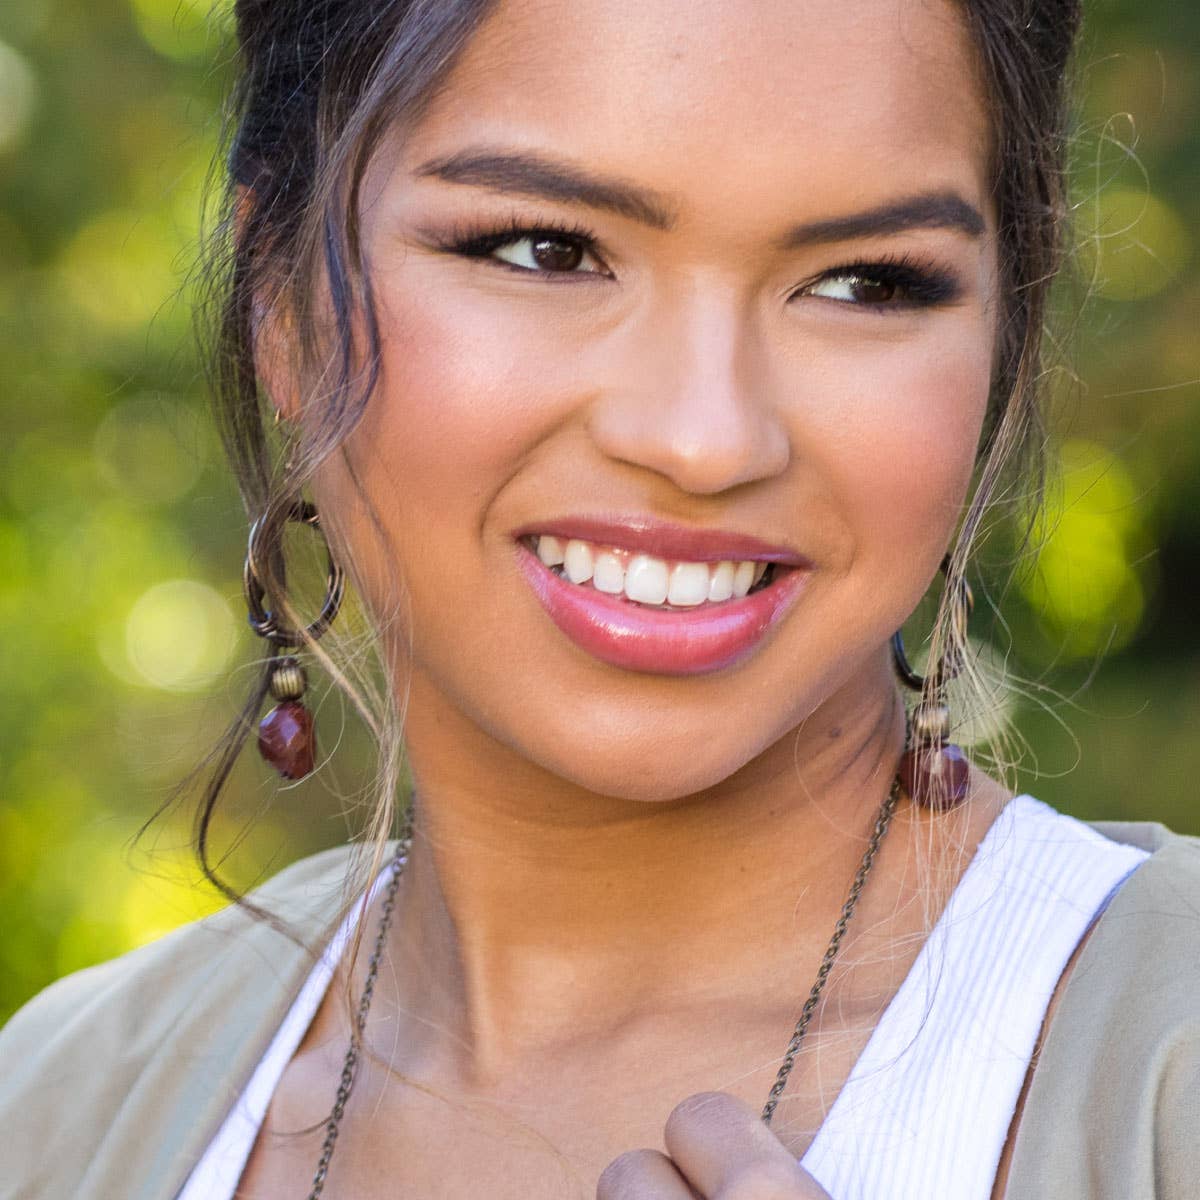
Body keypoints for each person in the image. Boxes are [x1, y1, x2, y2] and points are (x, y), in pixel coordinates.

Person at [1, 0, 1197, 1197]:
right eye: (547, 250)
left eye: (863, 282)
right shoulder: (61, 1104)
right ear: (281, 302)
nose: (703, 439)